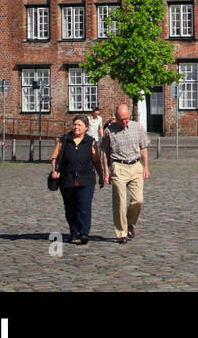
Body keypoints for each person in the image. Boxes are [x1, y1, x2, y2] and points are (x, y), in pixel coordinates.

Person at [50, 115, 104, 245]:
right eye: (75, 124)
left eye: (79, 125)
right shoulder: (64, 140)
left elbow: (96, 161)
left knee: (84, 207)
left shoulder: (90, 142)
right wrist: (54, 171)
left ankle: (84, 232)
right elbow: (55, 158)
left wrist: (101, 175)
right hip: (67, 179)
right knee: (70, 207)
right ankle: (74, 231)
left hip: (86, 180)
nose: (76, 127)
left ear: (86, 127)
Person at [100, 103, 149, 244]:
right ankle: (121, 232)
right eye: (121, 119)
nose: (124, 122)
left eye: (126, 118)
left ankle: (130, 223)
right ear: (116, 117)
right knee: (120, 201)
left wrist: (145, 166)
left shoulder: (137, 127)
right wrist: (106, 172)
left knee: (138, 200)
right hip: (118, 166)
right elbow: (104, 152)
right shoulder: (109, 131)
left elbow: (143, 147)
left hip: (135, 165)